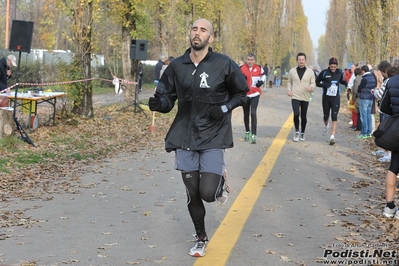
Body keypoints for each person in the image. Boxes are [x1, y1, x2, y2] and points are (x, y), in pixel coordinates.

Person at [148, 18, 248, 257]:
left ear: (210, 38)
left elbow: (242, 93)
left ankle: (220, 181)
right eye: (194, 28)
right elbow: (166, 98)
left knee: (207, 194)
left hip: (214, 134)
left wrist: (224, 108)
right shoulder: (177, 65)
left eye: (203, 30)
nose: (197, 33)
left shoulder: (223, 64)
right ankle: (201, 237)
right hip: (185, 136)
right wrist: (158, 104)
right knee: (192, 192)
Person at [381, 65, 399, 219]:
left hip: (396, 130)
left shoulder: (391, 82)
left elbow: (383, 106)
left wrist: (394, 114)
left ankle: (389, 206)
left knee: (394, 166)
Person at [316, 57, 347, 145]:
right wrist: (325, 85)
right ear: (329, 66)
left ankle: (332, 136)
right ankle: (326, 125)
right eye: (331, 67)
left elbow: (341, 80)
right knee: (326, 116)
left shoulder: (339, 72)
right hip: (326, 97)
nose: (333, 68)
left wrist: (345, 83)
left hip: (335, 98)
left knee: (334, 115)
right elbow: (317, 82)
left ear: (337, 66)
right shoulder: (324, 72)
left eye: (334, 67)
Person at [287, 52, 315, 142]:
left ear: (305, 61)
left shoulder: (310, 72)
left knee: (303, 116)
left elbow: (313, 83)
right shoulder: (292, 71)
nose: (301, 61)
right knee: (296, 114)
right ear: (297, 61)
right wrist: (289, 90)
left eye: (302, 60)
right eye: (299, 60)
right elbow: (289, 82)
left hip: (305, 96)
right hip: (295, 96)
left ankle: (302, 132)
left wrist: (311, 87)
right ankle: (296, 131)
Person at [240, 53, 264, 144]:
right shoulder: (241, 68)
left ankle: (254, 134)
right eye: (248, 60)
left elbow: (263, 75)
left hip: (255, 94)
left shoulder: (258, 68)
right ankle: (247, 131)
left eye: (251, 60)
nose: (250, 61)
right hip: (245, 94)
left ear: (254, 60)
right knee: (246, 114)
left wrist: (261, 82)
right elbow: (237, 79)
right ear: (246, 60)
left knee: (253, 113)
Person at [356, 65, 376, 139]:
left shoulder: (364, 79)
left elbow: (359, 89)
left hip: (364, 98)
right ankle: (369, 132)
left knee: (364, 117)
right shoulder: (372, 77)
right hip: (371, 98)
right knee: (369, 116)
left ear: (363, 71)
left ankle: (364, 132)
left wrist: (361, 89)